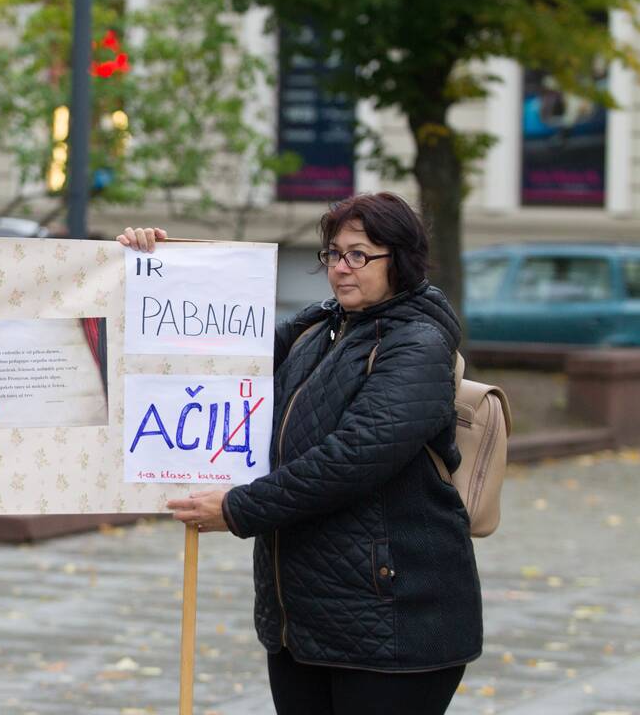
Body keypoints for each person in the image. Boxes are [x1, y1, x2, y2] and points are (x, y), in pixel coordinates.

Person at [118, 192, 480, 715]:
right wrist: (162, 270)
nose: (340, 269)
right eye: (333, 254)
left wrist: (239, 508)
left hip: (395, 620)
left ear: (399, 260)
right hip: (302, 620)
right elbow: (207, 354)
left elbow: (353, 457)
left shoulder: (417, 344)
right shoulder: (319, 328)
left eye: (359, 255)